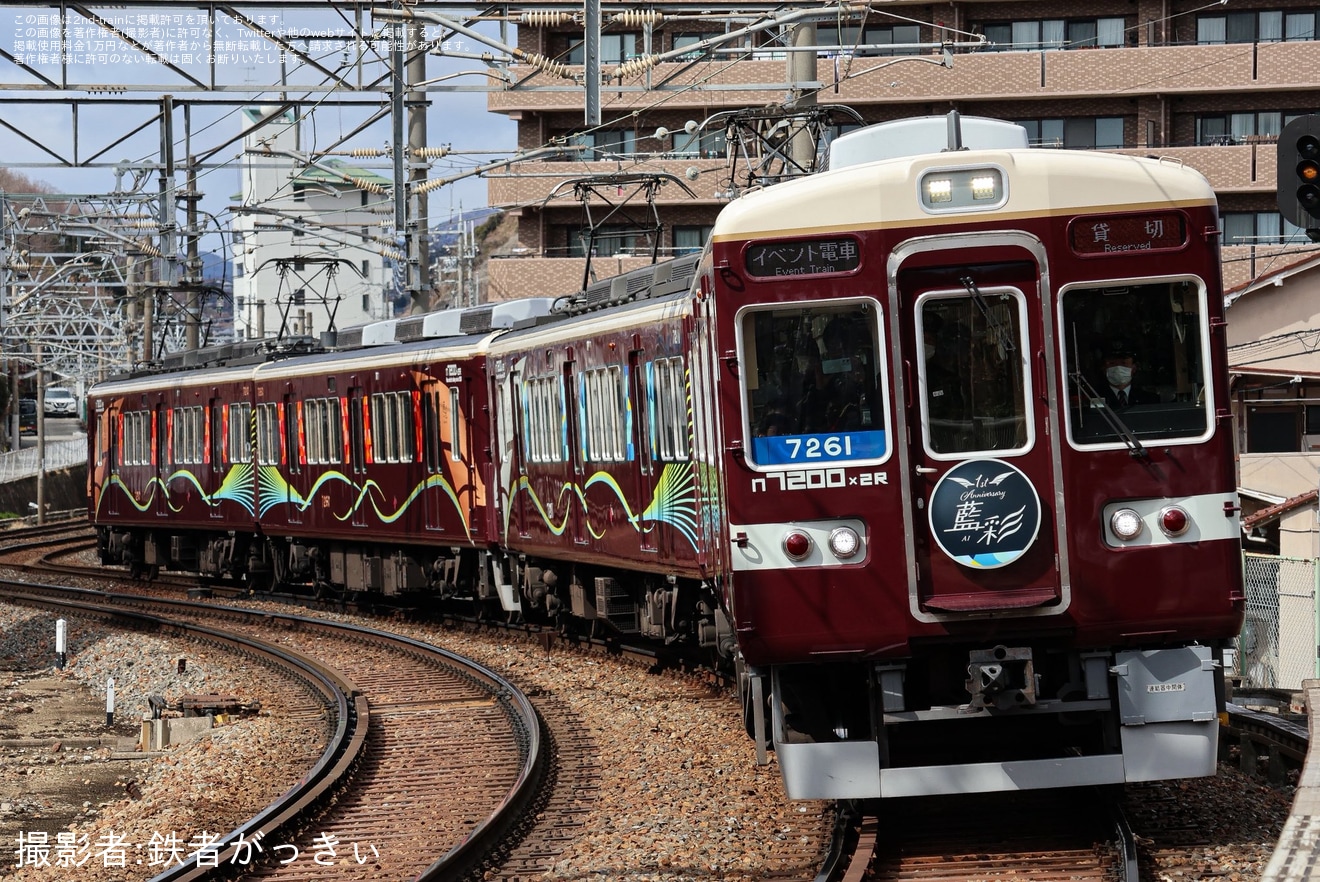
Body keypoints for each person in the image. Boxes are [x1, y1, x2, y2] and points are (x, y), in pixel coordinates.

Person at [1099, 343, 1156, 409]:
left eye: (1124, 363)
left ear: (1134, 368)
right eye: (1112, 363)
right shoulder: (1094, 398)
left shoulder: (1149, 399)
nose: (1118, 367)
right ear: (1104, 368)